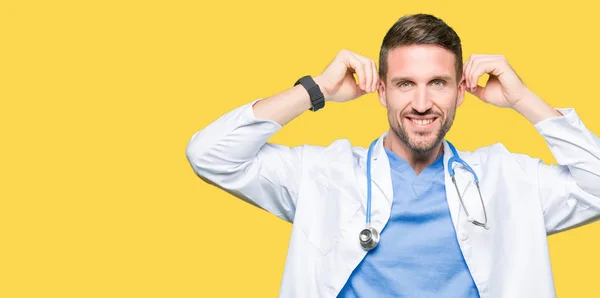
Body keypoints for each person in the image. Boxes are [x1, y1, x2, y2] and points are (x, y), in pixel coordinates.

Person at [185, 13, 600, 298]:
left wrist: (523, 98)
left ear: (461, 91)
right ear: (380, 90)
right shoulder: (322, 174)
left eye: (438, 83)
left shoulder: (508, 180)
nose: (422, 103)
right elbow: (210, 155)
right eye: (405, 84)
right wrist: (317, 91)